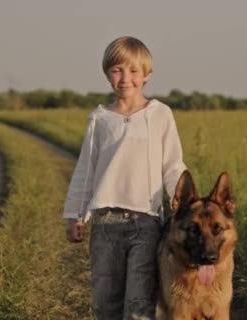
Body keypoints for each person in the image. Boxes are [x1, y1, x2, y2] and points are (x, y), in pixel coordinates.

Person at [63, 36, 187, 320]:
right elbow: (86, 169)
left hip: (146, 224)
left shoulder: (160, 115)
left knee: (139, 305)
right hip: (105, 225)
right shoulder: (100, 119)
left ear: (147, 75)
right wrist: (75, 214)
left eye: (133, 71)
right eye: (117, 70)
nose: (125, 78)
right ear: (107, 73)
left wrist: (185, 205)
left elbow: (173, 165)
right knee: (106, 304)